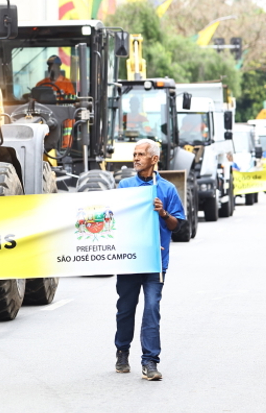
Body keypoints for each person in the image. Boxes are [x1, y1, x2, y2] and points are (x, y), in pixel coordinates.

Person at [114, 139, 185, 381]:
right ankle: (122, 351)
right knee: (125, 309)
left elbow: (176, 225)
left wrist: (163, 213)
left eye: (141, 154)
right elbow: (114, 219)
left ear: (154, 159)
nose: (136, 158)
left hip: (155, 261)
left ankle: (150, 362)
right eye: (134, 154)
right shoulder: (125, 186)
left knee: (152, 309)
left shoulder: (166, 189)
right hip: (130, 260)